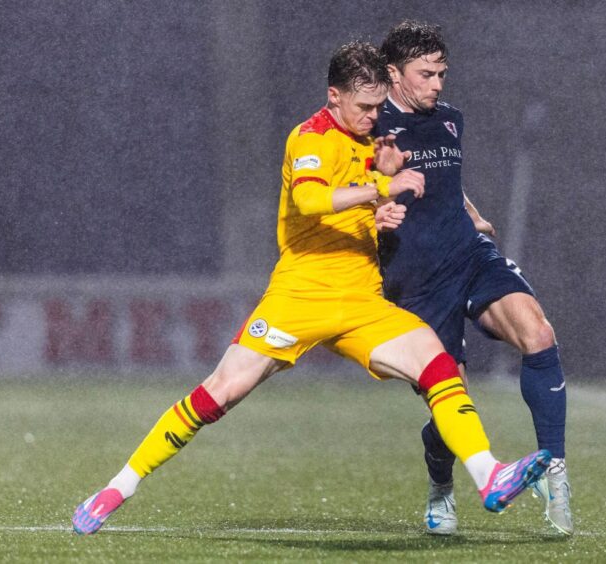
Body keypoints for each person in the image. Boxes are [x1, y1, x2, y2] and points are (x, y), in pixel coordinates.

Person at [71, 41, 550, 536]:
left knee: (438, 363)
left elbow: (367, 205)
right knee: (220, 394)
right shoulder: (309, 137)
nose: (372, 116)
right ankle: (117, 487)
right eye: (363, 107)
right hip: (300, 295)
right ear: (334, 96)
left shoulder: (376, 143)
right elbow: (312, 200)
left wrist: (382, 216)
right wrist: (383, 189)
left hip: (362, 299)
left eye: (378, 106)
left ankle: (489, 476)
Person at [372, 21, 574, 536]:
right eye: (426, 74)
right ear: (393, 74)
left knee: (539, 335)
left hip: (468, 254)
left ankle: (555, 469)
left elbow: (444, 186)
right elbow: (354, 192)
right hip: (414, 282)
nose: (438, 84)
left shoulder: (450, 120)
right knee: (452, 401)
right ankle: (441, 485)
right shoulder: (370, 128)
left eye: (442, 73)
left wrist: (471, 212)